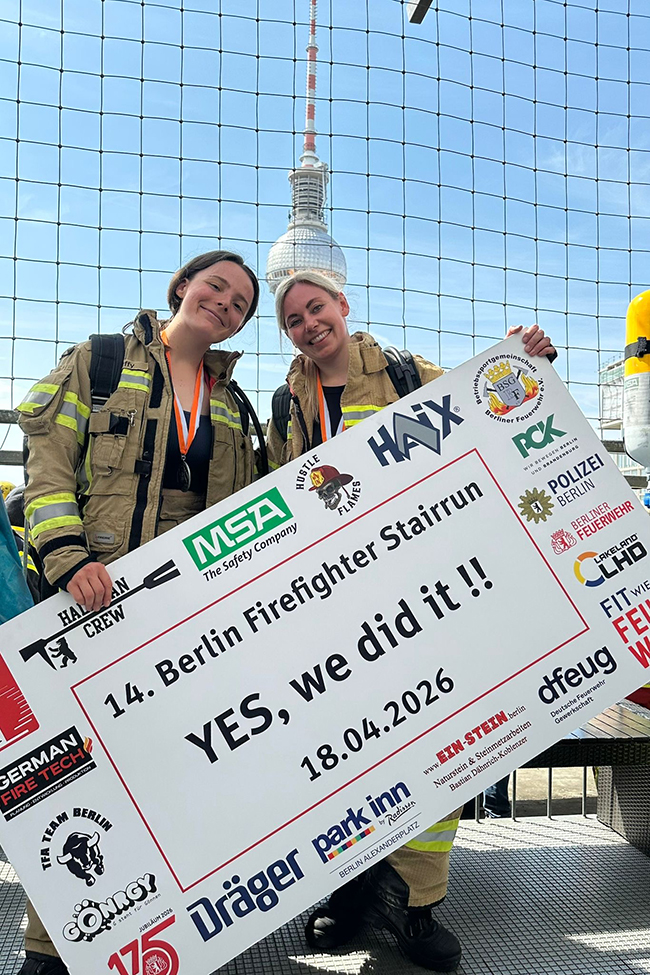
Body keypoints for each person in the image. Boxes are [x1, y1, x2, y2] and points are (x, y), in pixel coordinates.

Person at [267, 269, 556, 972]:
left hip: (422, 600)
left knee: (436, 749)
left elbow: (492, 402)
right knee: (343, 756)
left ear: (342, 306)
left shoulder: (405, 371)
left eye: (317, 307)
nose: (309, 324)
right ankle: (351, 893)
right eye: (293, 319)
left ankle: (418, 908)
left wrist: (529, 363)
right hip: (334, 611)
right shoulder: (284, 402)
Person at [16, 250, 260, 975]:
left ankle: (156, 935)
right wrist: (67, 560)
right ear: (183, 285)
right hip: (86, 602)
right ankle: (48, 946)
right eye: (215, 285)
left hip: (182, 623)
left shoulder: (234, 404)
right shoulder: (99, 362)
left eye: (242, 303)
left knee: (171, 778)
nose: (225, 303)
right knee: (73, 784)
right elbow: (48, 465)